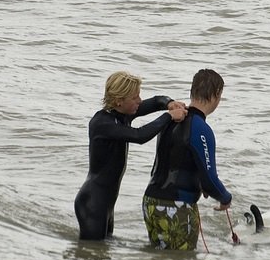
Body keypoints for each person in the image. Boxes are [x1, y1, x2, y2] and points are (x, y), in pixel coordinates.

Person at [75, 71, 187, 241]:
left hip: (106, 203)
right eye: (135, 97)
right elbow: (139, 135)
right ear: (119, 100)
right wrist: (169, 116)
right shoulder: (101, 123)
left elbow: (156, 101)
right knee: (90, 257)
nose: (140, 101)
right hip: (92, 201)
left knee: (101, 254)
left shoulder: (123, 114)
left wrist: (169, 103)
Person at [142, 69, 232, 250]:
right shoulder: (201, 128)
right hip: (177, 207)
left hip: (150, 202)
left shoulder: (171, 119)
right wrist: (224, 197)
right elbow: (210, 179)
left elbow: (178, 159)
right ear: (216, 95)